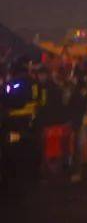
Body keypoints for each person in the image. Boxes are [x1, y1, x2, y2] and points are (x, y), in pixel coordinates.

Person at [0, 58, 46, 198]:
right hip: (32, 124)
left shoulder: (15, 83)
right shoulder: (37, 84)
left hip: (14, 124)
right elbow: (42, 102)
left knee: (12, 155)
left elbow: (6, 98)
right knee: (31, 151)